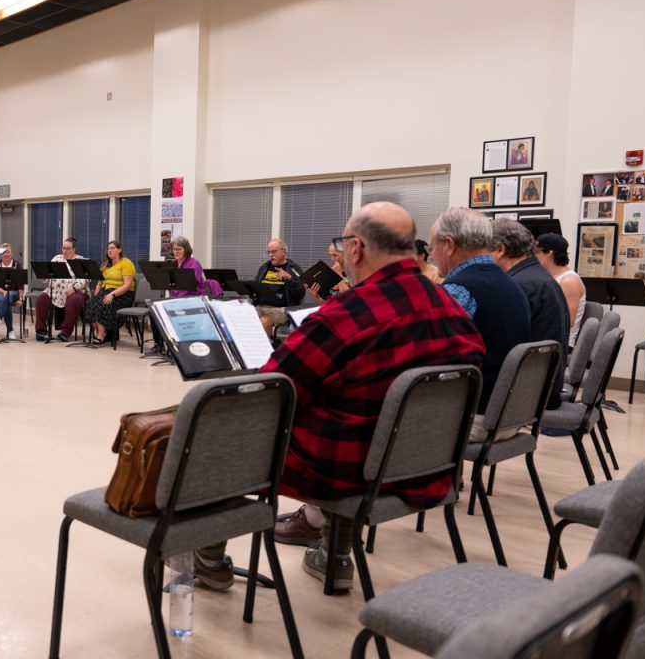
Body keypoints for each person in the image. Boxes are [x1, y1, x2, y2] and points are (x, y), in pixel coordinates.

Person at [197, 203, 485, 591]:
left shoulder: (347, 315)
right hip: (426, 466)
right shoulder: (452, 310)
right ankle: (335, 555)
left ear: (357, 248)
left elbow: (271, 393)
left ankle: (207, 558)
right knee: (350, 405)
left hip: (347, 469)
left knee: (228, 419)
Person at [430, 207, 532, 414]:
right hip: (509, 412)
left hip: (472, 414)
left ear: (449, 245)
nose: (431, 256)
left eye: (432, 247)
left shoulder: (458, 290)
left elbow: (430, 357)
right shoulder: (512, 284)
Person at [490, 219, 569, 409]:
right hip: (546, 385)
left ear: (500, 250)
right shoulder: (537, 277)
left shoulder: (518, 285)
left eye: (485, 251)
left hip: (530, 393)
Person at [535, 232, 586, 348]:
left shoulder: (569, 281)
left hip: (560, 345)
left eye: (537, 252)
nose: (534, 256)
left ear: (549, 253)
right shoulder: (548, 278)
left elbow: (566, 322)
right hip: (548, 340)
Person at [34, 238, 88, 342]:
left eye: (68, 248)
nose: (65, 251)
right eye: (63, 248)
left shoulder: (81, 261)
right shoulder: (56, 259)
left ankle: (65, 332)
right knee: (41, 299)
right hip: (55, 291)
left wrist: (74, 288)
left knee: (73, 301)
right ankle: (41, 331)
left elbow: (85, 280)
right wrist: (44, 277)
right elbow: (49, 275)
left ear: (74, 250)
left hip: (75, 291)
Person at [83, 240, 136, 346]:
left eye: (112, 248)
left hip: (122, 294)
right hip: (105, 291)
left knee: (103, 305)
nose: (109, 250)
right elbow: (99, 283)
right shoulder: (105, 265)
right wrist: (96, 296)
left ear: (119, 249)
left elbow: (127, 285)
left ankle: (100, 336)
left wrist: (113, 294)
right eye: (108, 248)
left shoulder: (126, 263)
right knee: (90, 304)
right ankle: (101, 332)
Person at [252, 238, 305, 306]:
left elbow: (300, 294)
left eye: (273, 251)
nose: (270, 255)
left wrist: (289, 278)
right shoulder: (264, 267)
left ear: (284, 252)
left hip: (280, 309)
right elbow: (255, 286)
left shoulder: (293, 268)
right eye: (269, 252)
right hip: (260, 306)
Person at [0, 243, 24, 339]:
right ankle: (10, 331)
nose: (6, 254)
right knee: (6, 301)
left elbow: (21, 284)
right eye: (4, 252)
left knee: (8, 296)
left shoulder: (17, 265)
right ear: (1, 254)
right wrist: (3, 292)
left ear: (11, 253)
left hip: (14, 293)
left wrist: (20, 299)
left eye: (8, 252)